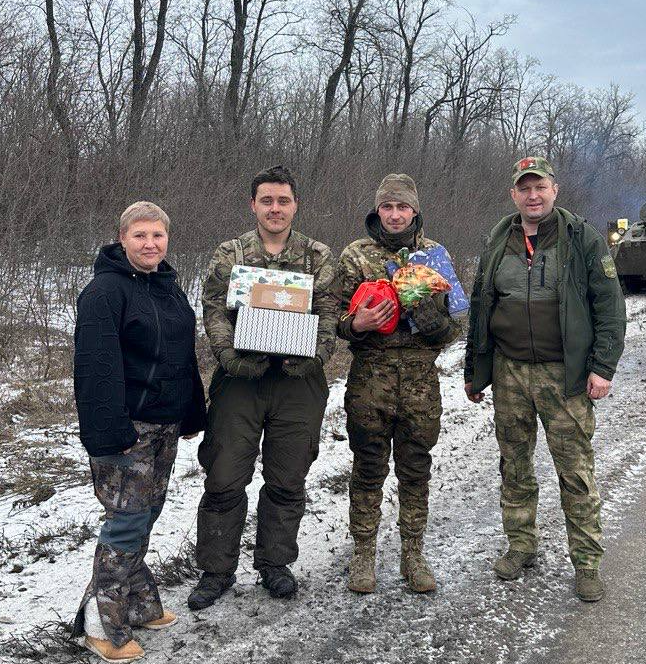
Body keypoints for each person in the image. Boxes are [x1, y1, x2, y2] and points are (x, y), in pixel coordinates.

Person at [464, 156, 626, 603]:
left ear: (555, 190)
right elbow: (482, 304)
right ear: (514, 194)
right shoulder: (500, 237)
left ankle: (587, 562)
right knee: (514, 467)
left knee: (575, 471)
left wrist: (603, 366)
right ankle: (521, 545)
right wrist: (475, 371)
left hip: (565, 374)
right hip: (510, 371)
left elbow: (610, 307)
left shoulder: (583, 239)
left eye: (540, 188)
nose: (533, 196)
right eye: (524, 188)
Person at [188, 165, 339, 609]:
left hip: (298, 381)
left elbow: (330, 312)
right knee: (224, 475)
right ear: (253, 204)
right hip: (241, 380)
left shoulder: (316, 256)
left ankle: (275, 564)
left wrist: (314, 354)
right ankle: (216, 570)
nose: (275, 209)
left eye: (284, 201)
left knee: (288, 477)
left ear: (295, 205)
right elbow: (213, 307)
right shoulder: (230, 252)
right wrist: (229, 356)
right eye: (267, 201)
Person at [72, 202, 207, 663]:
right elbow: (95, 368)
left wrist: (191, 412)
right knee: (126, 522)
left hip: (165, 424)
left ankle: (138, 604)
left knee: (144, 517)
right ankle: (100, 624)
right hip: (126, 428)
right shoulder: (105, 292)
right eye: (140, 236)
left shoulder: (168, 287)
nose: (150, 244)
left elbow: (183, 356)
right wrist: (111, 432)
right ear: (122, 237)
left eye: (158, 236)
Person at [336, 174, 460, 594]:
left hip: (421, 381)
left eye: (402, 207)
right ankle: (363, 554)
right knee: (368, 468)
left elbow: (454, 328)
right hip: (371, 377)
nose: (394, 215)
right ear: (377, 210)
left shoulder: (435, 256)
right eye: (387, 207)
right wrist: (356, 324)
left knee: (416, 468)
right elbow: (332, 318)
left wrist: (431, 319)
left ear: (414, 211)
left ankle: (413, 554)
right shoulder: (355, 255)